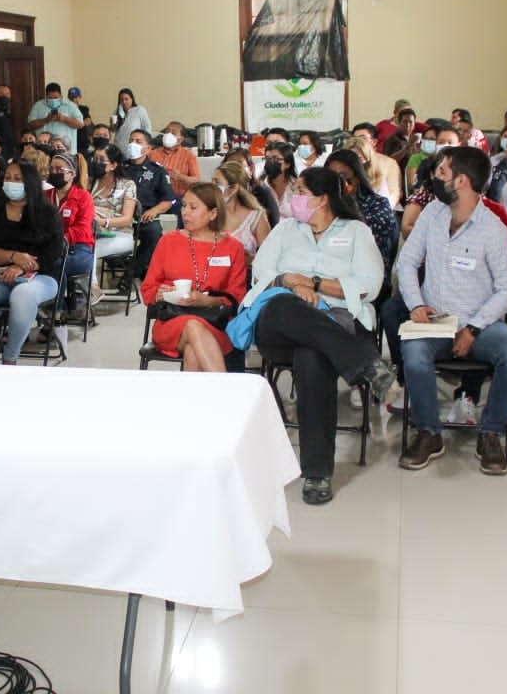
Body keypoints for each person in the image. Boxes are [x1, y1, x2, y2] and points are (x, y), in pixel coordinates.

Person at [249, 168, 393, 505]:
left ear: (323, 198)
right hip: (281, 322)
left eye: (301, 191)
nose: (294, 198)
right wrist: (291, 282)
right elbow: (261, 272)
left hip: (337, 319)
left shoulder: (356, 232)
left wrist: (315, 284)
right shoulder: (286, 229)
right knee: (282, 306)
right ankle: (364, 363)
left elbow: (370, 285)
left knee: (312, 357)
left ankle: (316, 473)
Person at [395, 146, 507, 476]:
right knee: (413, 354)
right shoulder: (432, 214)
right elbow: (407, 262)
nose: (435, 178)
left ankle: (491, 433)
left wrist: (474, 328)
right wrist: (416, 304)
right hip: (435, 319)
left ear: (462, 181)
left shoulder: (493, 229)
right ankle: (429, 432)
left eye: (442, 172)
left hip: (480, 321)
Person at [140, 183, 248, 373]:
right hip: (172, 321)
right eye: (183, 206)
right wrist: (161, 294)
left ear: (213, 213)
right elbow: (148, 289)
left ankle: (203, 393)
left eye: (193, 207)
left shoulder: (233, 248)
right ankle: (226, 388)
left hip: (215, 323)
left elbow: (236, 298)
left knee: (193, 351)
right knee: (193, 326)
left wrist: (206, 301)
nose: (185, 212)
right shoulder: (168, 241)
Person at [0, 160, 65, 364]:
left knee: (22, 295)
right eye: (8, 178)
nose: (11, 182)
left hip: (41, 277)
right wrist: (13, 257)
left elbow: (52, 253)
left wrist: (21, 267)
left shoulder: (47, 213)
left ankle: (10, 357)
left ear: (30, 182)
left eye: (18, 179)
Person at [324, 148, 398, 278]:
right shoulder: (323, 204)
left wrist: (347, 203)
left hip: (368, 275)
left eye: (343, 177)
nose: (339, 184)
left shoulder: (378, 204)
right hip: (328, 271)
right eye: (333, 179)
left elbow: (366, 237)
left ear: (358, 177)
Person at [121, 130, 177, 284]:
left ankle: (130, 274)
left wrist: (154, 210)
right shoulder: (120, 168)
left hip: (143, 217)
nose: (132, 144)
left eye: (138, 141)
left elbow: (169, 200)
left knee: (154, 233)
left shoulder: (157, 170)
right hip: (119, 217)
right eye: (131, 140)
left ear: (148, 148)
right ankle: (137, 268)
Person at [89, 144, 138, 295]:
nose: (96, 162)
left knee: (89, 250)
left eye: (101, 159)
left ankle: (93, 290)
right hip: (93, 233)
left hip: (120, 234)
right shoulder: (89, 182)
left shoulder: (127, 184)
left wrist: (104, 222)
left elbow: (127, 219)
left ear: (113, 165)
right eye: (94, 159)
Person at [47, 152, 96, 303]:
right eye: (51, 169)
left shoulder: (83, 197)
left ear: (72, 174)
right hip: (49, 247)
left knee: (55, 265)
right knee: (46, 262)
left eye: (59, 169)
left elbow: (82, 229)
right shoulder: (44, 196)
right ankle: (55, 307)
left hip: (79, 249)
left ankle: (56, 311)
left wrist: (61, 239)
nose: (54, 172)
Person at [213, 162, 270, 267]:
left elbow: (269, 256)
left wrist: (246, 259)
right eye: (212, 182)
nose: (212, 187)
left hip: (245, 273)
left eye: (217, 183)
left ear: (234, 188)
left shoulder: (256, 217)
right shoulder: (209, 214)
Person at [222, 147, 280, 226]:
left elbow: (274, 224)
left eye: (239, 164)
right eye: (230, 165)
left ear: (251, 169)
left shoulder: (261, 191)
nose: (234, 169)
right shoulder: (220, 190)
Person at [27, 82, 84, 155]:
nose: (53, 100)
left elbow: (80, 124)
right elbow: (31, 124)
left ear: (61, 95)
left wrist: (64, 119)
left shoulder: (71, 106)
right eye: (50, 98)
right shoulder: (38, 106)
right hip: (43, 152)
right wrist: (46, 120)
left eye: (56, 97)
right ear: (46, 96)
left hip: (66, 151)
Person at [345, 133, 402, 206]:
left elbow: (386, 205)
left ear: (368, 160)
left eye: (359, 158)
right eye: (350, 158)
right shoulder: (339, 180)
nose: (354, 162)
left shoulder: (378, 180)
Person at [150, 121, 201, 197]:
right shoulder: (152, 154)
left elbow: (197, 182)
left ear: (181, 139)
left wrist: (180, 177)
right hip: (155, 197)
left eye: (173, 133)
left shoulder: (189, 156)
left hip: (179, 198)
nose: (168, 135)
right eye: (167, 131)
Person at [404, 125, 460, 193]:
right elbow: (416, 187)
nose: (445, 145)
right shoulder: (426, 164)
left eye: (450, 142)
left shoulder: (464, 164)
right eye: (441, 142)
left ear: (459, 144)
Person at [261, 142, 298, 215]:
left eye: (276, 159)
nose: (271, 162)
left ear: (288, 164)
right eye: (268, 159)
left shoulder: (298, 186)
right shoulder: (259, 187)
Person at [69, 86, 96, 153]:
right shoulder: (66, 110)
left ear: (80, 97)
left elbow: (88, 121)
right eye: (71, 98)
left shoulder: (83, 109)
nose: (73, 100)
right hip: (70, 142)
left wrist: (76, 124)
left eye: (76, 97)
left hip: (82, 142)